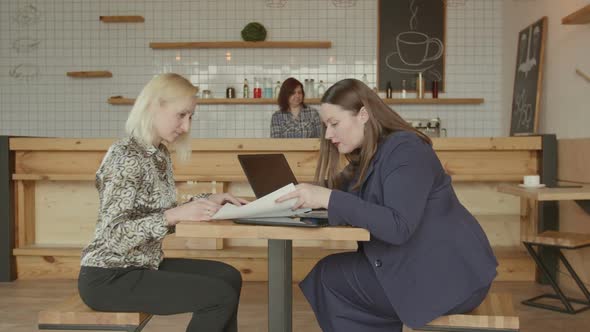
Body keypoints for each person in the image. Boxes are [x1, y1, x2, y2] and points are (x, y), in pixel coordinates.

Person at [277, 78, 498, 332]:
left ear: (363, 114)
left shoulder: (406, 150)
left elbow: (398, 226)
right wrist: (286, 197)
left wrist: (326, 198)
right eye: (325, 126)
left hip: (449, 276)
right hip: (424, 265)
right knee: (328, 277)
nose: (328, 134)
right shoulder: (371, 155)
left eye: (334, 124)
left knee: (327, 279)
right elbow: (333, 188)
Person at [78, 73, 247, 332]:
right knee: (218, 296)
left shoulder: (158, 154)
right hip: (110, 276)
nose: (187, 126)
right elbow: (114, 236)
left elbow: (157, 211)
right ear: (155, 105)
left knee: (229, 276)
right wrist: (174, 216)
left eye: (191, 117)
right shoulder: (125, 156)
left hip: (142, 264)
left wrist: (206, 200)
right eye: (181, 115)